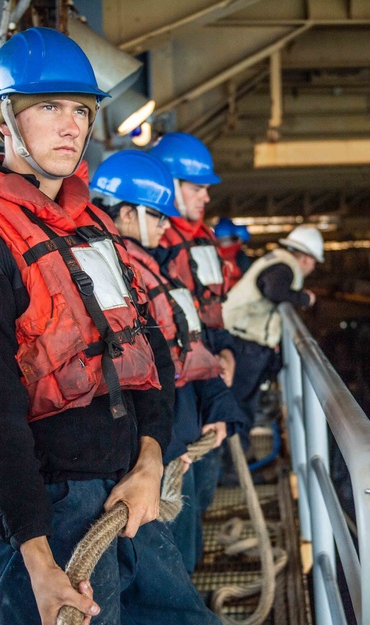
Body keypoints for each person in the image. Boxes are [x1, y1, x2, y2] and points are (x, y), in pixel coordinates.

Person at [0, 28, 232, 625]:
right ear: (3, 118)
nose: (70, 125)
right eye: (48, 107)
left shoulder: (90, 227)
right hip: (52, 510)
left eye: (80, 109)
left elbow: (151, 353)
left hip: (129, 491)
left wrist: (150, 461)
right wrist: (38, 560)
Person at [91, 150, 243, 573]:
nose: (165, 225)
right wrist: (162, 448)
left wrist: (213, 406)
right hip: (162, 443)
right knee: (169, 565)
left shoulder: (150, 266)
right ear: (126, 214)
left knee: (184, 552)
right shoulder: (119, 272)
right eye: (157, 216)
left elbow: (180, 345)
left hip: (177, 433)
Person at [148, 132, 234, 523]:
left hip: (206, 386)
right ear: (168, 184)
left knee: (199, 498)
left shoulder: (202, 241)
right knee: (177, 511)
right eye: (198, 187)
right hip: (178, 401)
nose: (206, 197)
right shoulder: (150, 251)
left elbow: (209, 312)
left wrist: (226, 350)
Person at [222, 226, 323, 446]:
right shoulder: (285, 267)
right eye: (314, 261)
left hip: (240, 337)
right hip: (245, 342)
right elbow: (274, 291)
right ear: (305, 258)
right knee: (242, 403)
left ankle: (234, 454)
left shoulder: (277, 260)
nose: (312, 267)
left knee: (241, 400)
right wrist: (304, 299)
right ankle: (233, 459)